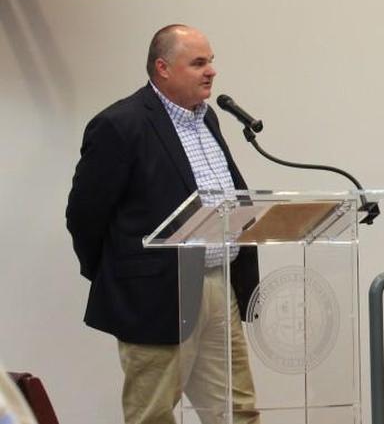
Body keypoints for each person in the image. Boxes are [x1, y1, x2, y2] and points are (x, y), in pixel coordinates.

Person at [65, 24, 259, 424]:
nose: (211, 71)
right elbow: (84, 215)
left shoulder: (208, 121)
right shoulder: (121, 124)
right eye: (199, 63)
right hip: (158, 292)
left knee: (238, 412)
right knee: (153, 414)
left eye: (211, 62)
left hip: (219, 286)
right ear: (163, 68)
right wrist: (121, 277)